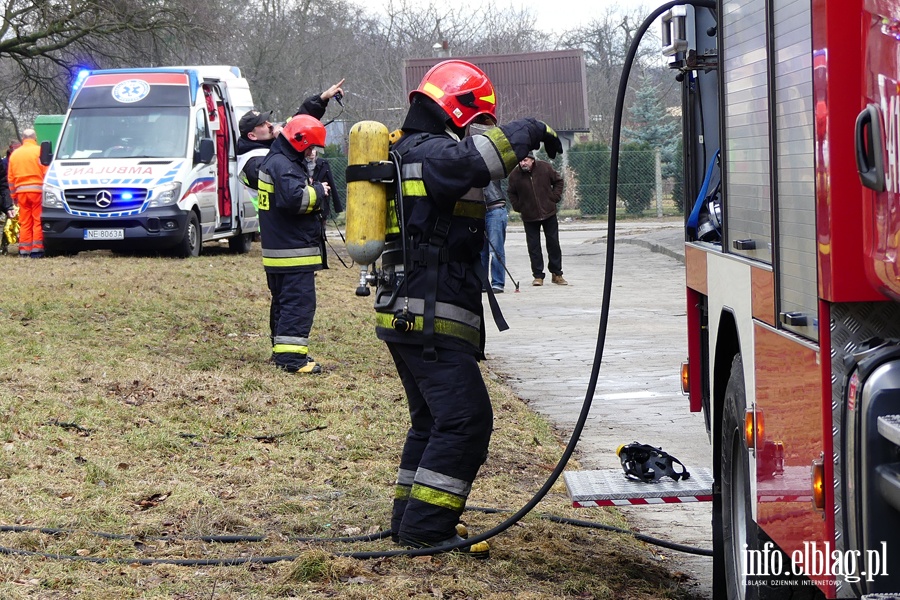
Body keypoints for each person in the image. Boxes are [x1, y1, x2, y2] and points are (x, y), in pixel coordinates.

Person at [374, 59, 562, 556]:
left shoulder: (406, 150)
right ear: (459, 109)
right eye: (479, 119)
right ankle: (426, 529)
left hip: (410, 311)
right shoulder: (432, 153)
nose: (481, 129)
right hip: (428, 313)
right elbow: (475, 163)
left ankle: (408, 522)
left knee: (433, 422)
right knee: (465, 420)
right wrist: (530, 129)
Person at [257, 115, 332, 375]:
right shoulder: (284, 165)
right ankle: (292, 359)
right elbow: (295, 201)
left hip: (279, 251)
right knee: (298, 304)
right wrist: (319, 191)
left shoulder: (277, 161)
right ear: (300, 142)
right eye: (311, 147)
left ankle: (282, 351)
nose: (312, 153)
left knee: (283, 303)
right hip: (293, 252)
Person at [237, 79, 344, 196]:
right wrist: (282, 141)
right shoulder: (251, 162)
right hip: (275, 213)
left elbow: (299, 120)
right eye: (262, 124)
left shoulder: (270, 142)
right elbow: (282, 173)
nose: (269, 125)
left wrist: (322, 98)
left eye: (267, 121)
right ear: (252, 136)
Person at [507, 152, 566, 286]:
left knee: (553, 243)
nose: (523, 163)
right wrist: (518, 206)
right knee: (533, 247)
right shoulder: (515, 175)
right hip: (529, 215)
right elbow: (511, 192)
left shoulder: (545, 168)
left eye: (525, 160)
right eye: (520, 161)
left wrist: (554, 198)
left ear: (532, 160)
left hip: (549, 212)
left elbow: (559, 181)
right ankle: (538, 276)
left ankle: (557, 274)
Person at [8, 129, 48, 258]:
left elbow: (11, 179)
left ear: (23, 139)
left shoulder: (15, 155)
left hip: (21, 193)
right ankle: (37, 249)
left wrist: (14, 196)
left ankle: (24, 250)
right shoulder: (40, 151)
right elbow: (46, 172)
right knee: (37, 220)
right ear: (35, 138)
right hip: (37, 191)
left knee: (24, 222)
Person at [480, 179, 508, 293]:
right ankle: (482, 282)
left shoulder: (491, 164)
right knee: (481, 251)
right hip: (478, 210)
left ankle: (498, 283)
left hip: (495, 207)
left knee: (496, 250)